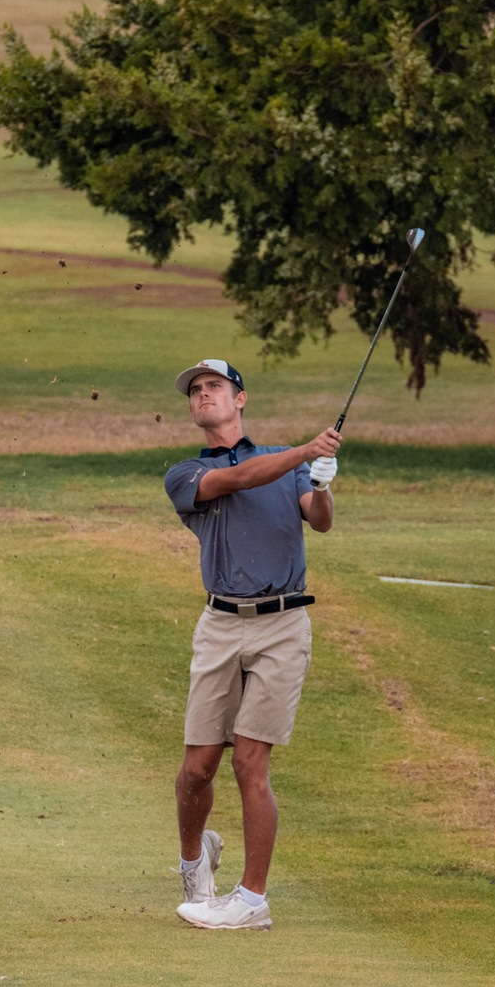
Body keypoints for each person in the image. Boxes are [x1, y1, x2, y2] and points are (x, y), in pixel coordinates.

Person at [163, 357, 340, 930]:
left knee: (249, 762)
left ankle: (252, 900)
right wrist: (303, 454)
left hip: (282, 624)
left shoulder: (287, 465)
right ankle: (195, 865)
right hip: (219, 623)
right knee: (197, 769)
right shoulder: (185, 474)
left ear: (241, 399)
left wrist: (320, 483)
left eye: (215, 386)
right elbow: (239, 480)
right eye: (196, 391)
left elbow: (319, 521)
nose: (203, 395)